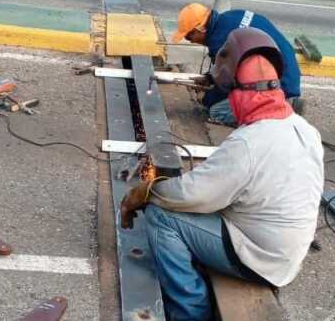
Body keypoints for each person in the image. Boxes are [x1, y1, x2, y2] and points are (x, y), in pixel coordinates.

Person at [121, 27, 324, 321]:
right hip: (285, 252)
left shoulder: (249, 143)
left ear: (238, 92)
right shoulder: (304, 129)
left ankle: (190, 311)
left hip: (261, 259)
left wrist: (147, 192)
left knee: (161, 216)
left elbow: (188, 196)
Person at [171, 3, 302, 125]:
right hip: (288, 72)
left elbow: (224, 88)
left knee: (216, 111)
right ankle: (284, 101)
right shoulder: (231, 16)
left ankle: (280, 108)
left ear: (200, 29)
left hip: (279, 86)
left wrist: (205, 99)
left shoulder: (220, 42)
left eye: (189, 37)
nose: (191, 41)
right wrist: (210, 78)